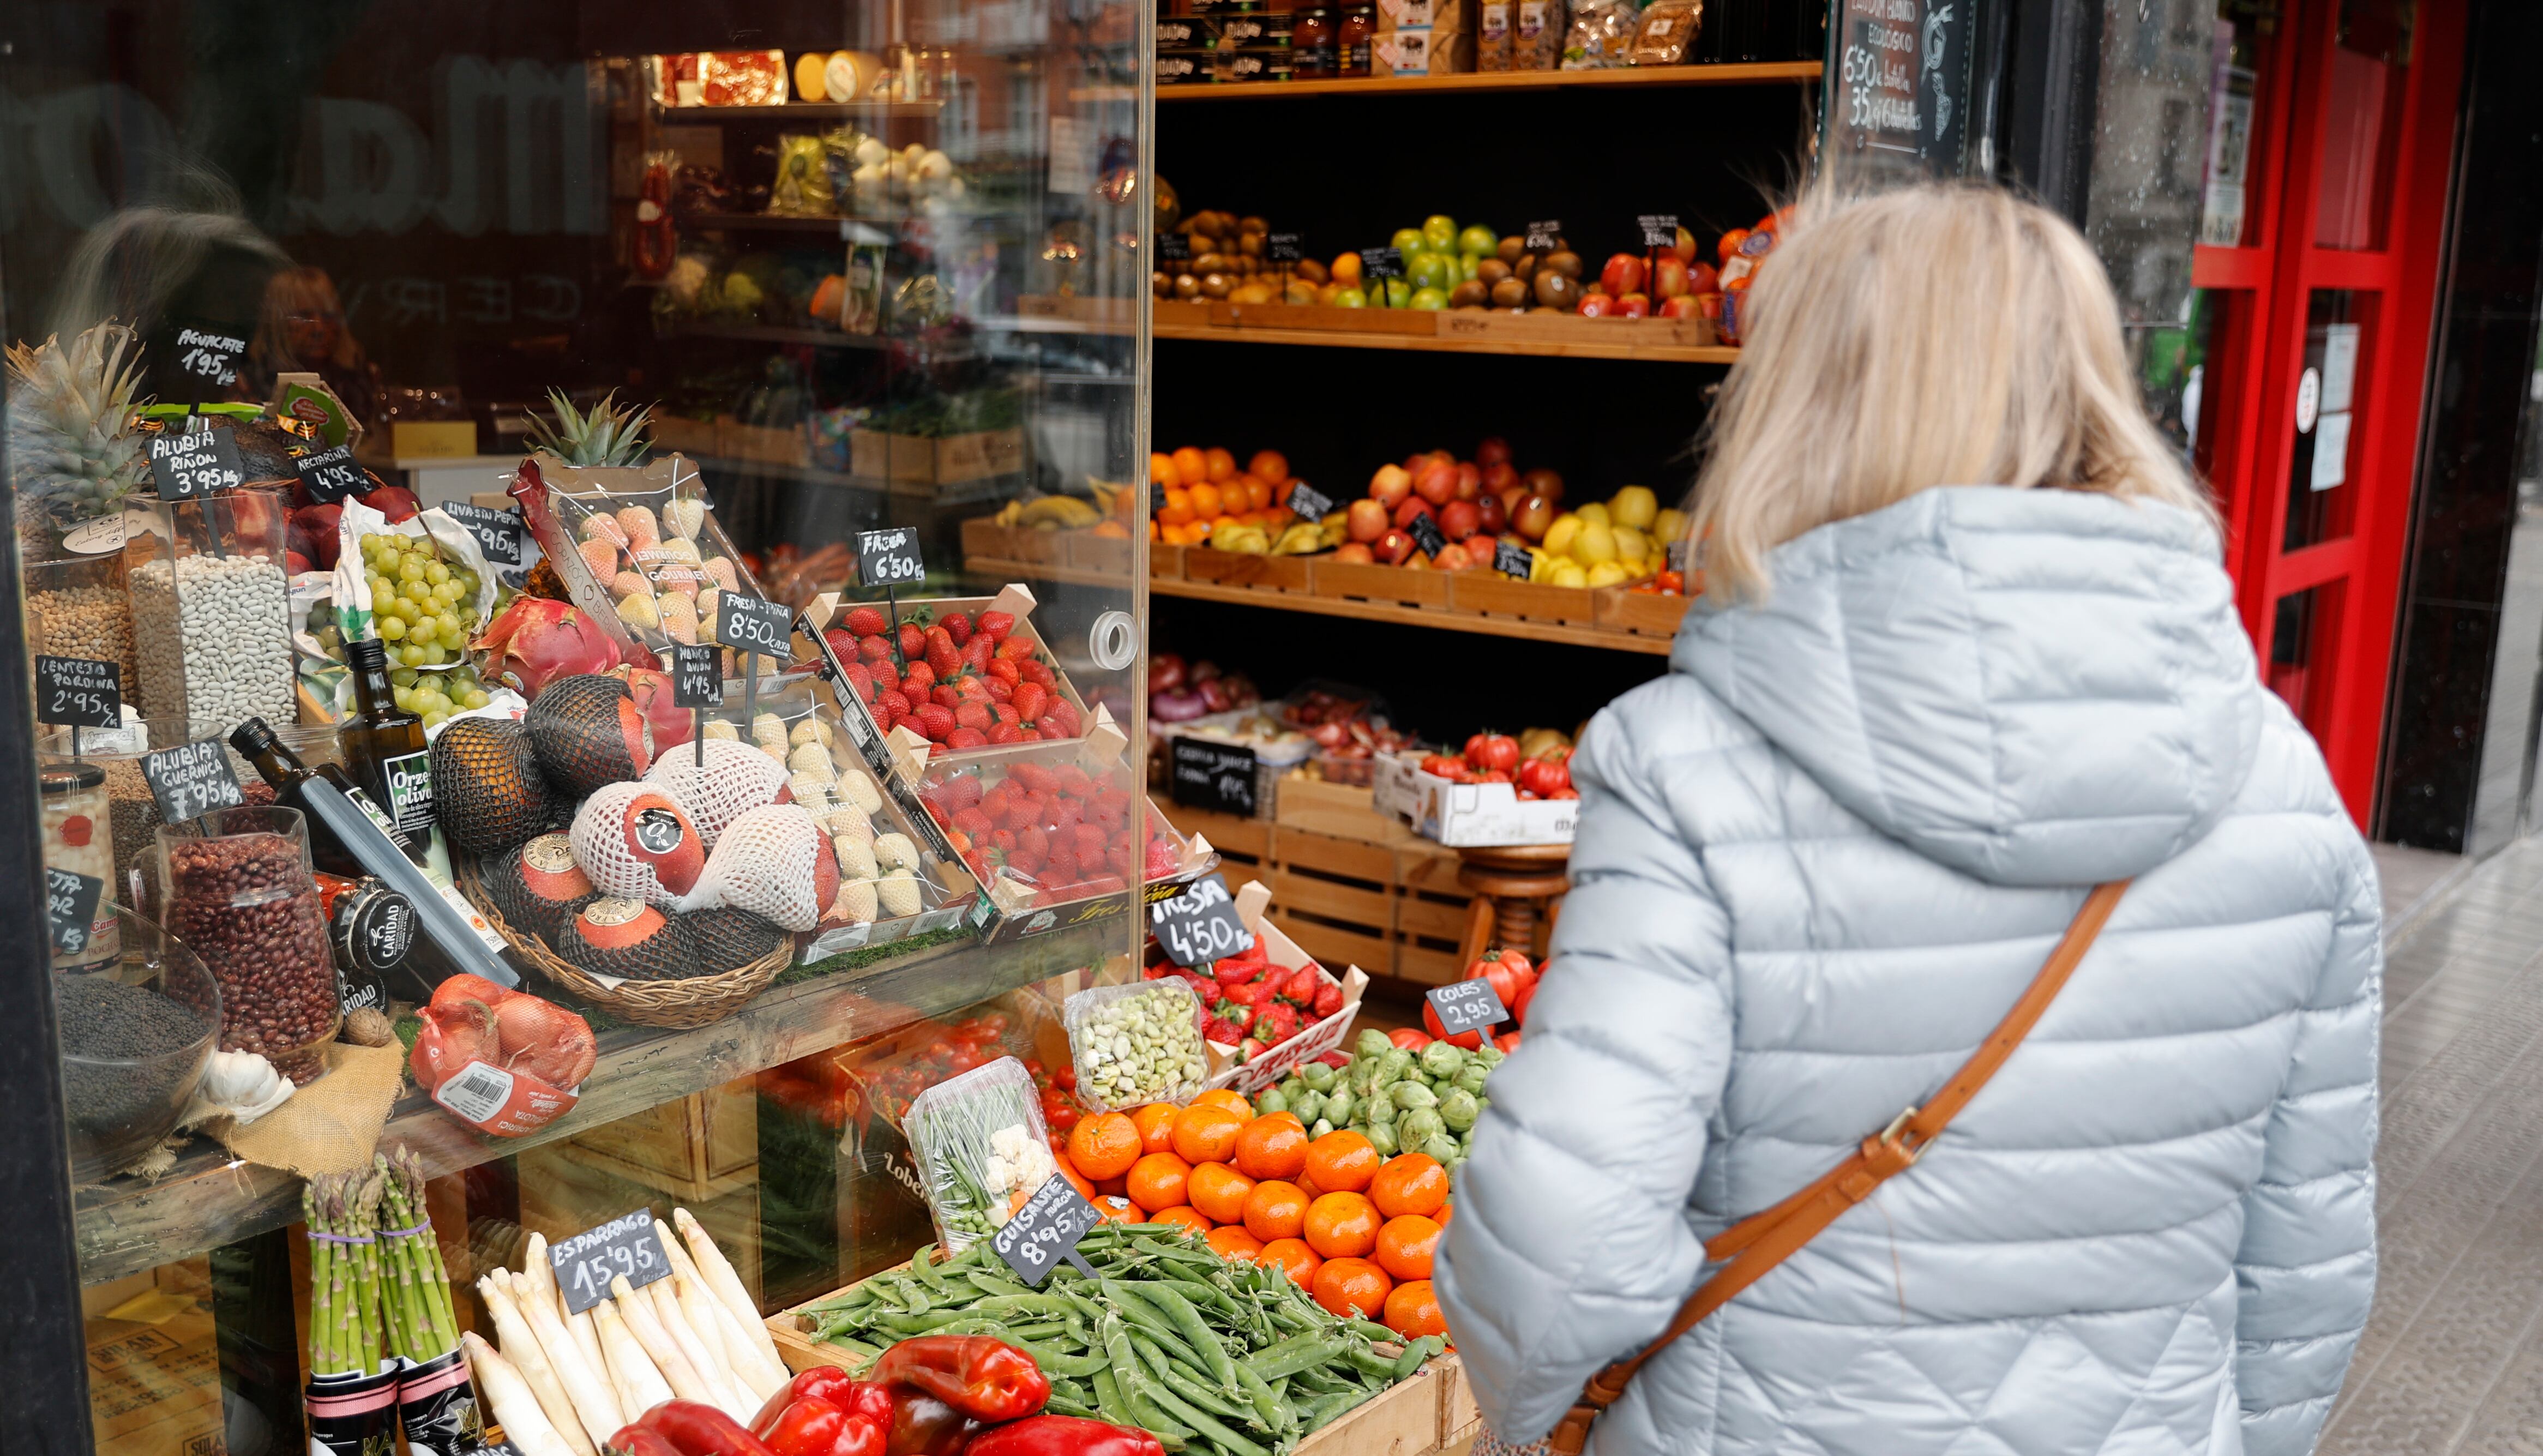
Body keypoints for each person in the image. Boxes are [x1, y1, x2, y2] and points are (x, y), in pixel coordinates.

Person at [1435, 183, 2379, 1456]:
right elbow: (2306, 1260)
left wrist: (1527, 1427)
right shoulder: (2284, 781)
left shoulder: (1688, 765)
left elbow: (1561, 1239)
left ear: (1797, 395)